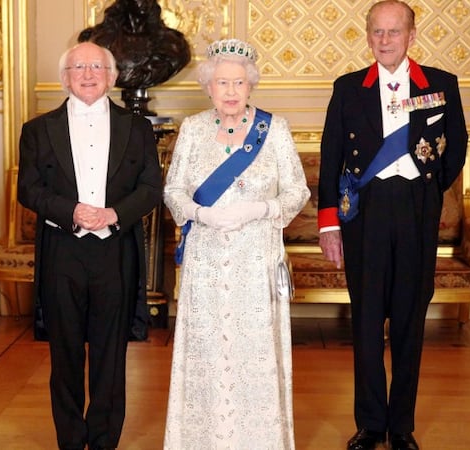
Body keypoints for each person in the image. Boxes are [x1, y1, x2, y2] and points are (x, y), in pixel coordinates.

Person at [317, 2, 468, 449]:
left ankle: (401, 426)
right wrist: (329, 224)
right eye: (377, 32)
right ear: (368, 36)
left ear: (411, 35)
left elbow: (455, 147)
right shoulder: (348, 89)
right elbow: (330, 160)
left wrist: (428, 191)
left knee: (409, 319)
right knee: (365, 322)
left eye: (393, 32)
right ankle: (370, 424)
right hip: (365, 212)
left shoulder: (440, 85)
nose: (385, 40)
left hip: (416, 211)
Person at [163, 38, 310, 449]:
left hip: (256, 258)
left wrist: (260, 210)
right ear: (208, 86)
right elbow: (173, 191)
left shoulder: (273, 129)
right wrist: (200, 213)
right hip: (206, 259)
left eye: (239, 83)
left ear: (251, 87)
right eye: (222, 82)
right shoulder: (192, 128)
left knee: (254, 349)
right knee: (207, 348)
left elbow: (298, 191)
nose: (230, 91)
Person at [17, 41, 162, 450]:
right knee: (64, 355)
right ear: (64, 77)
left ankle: (103, 442)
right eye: (78, 67)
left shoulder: (138, 128)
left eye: (96, 66)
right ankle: (69, 440)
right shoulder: (37, 129)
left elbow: (152, 188)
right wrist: (72, 211)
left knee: (110, 355)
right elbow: (28, 189)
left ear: (112, 76)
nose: (87, 74)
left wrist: (113, 213)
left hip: (115, 252)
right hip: (63, 249)